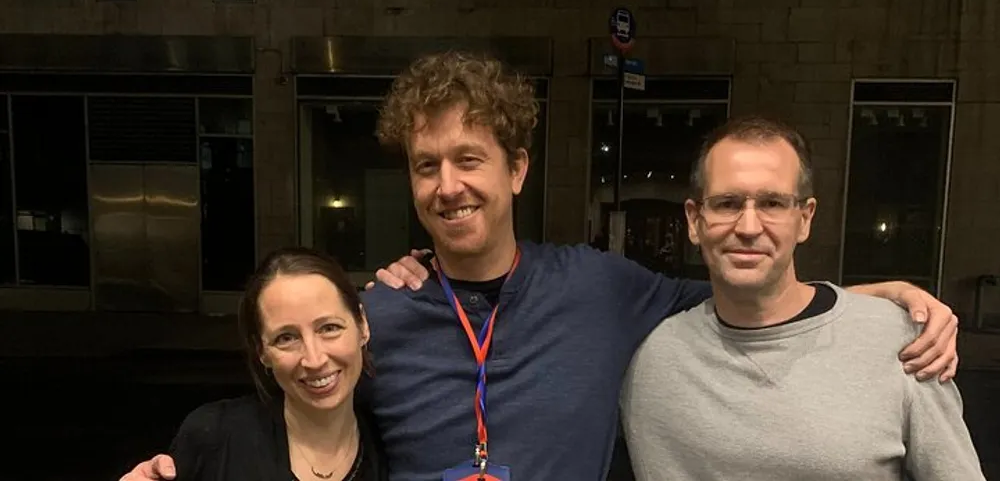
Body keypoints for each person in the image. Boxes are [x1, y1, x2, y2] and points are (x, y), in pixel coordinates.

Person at [123, 52, 959, 481]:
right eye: (424, 164)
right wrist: (182, 465)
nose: (448, 186)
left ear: (517, 168)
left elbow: (749, 283)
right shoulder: (383, 306)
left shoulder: (604, 288)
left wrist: (873, 297)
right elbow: (303, 419)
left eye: (469, 158)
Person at [620, 116, 984, 480]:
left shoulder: (902, 344)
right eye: (727, 203)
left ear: (805, 218)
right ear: (694, 220)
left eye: (773, 203)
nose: (748, 227)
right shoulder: (652, 356)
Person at [162, 247, 386, 481]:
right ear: (262, 352)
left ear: (362, 326)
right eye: (286, 338)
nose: (314, 359)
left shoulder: (393, 445)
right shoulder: (215, 439)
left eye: (329, 328)